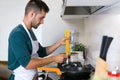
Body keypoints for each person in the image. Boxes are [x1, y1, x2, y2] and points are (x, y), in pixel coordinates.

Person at [8, 0, 68, 80]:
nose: (42, 22)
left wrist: (59, 43)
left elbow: (42, 52)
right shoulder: (17, 34)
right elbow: (27, 64)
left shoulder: (29, 31)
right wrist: (53, 58)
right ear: (32, 14)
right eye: (41, 18)